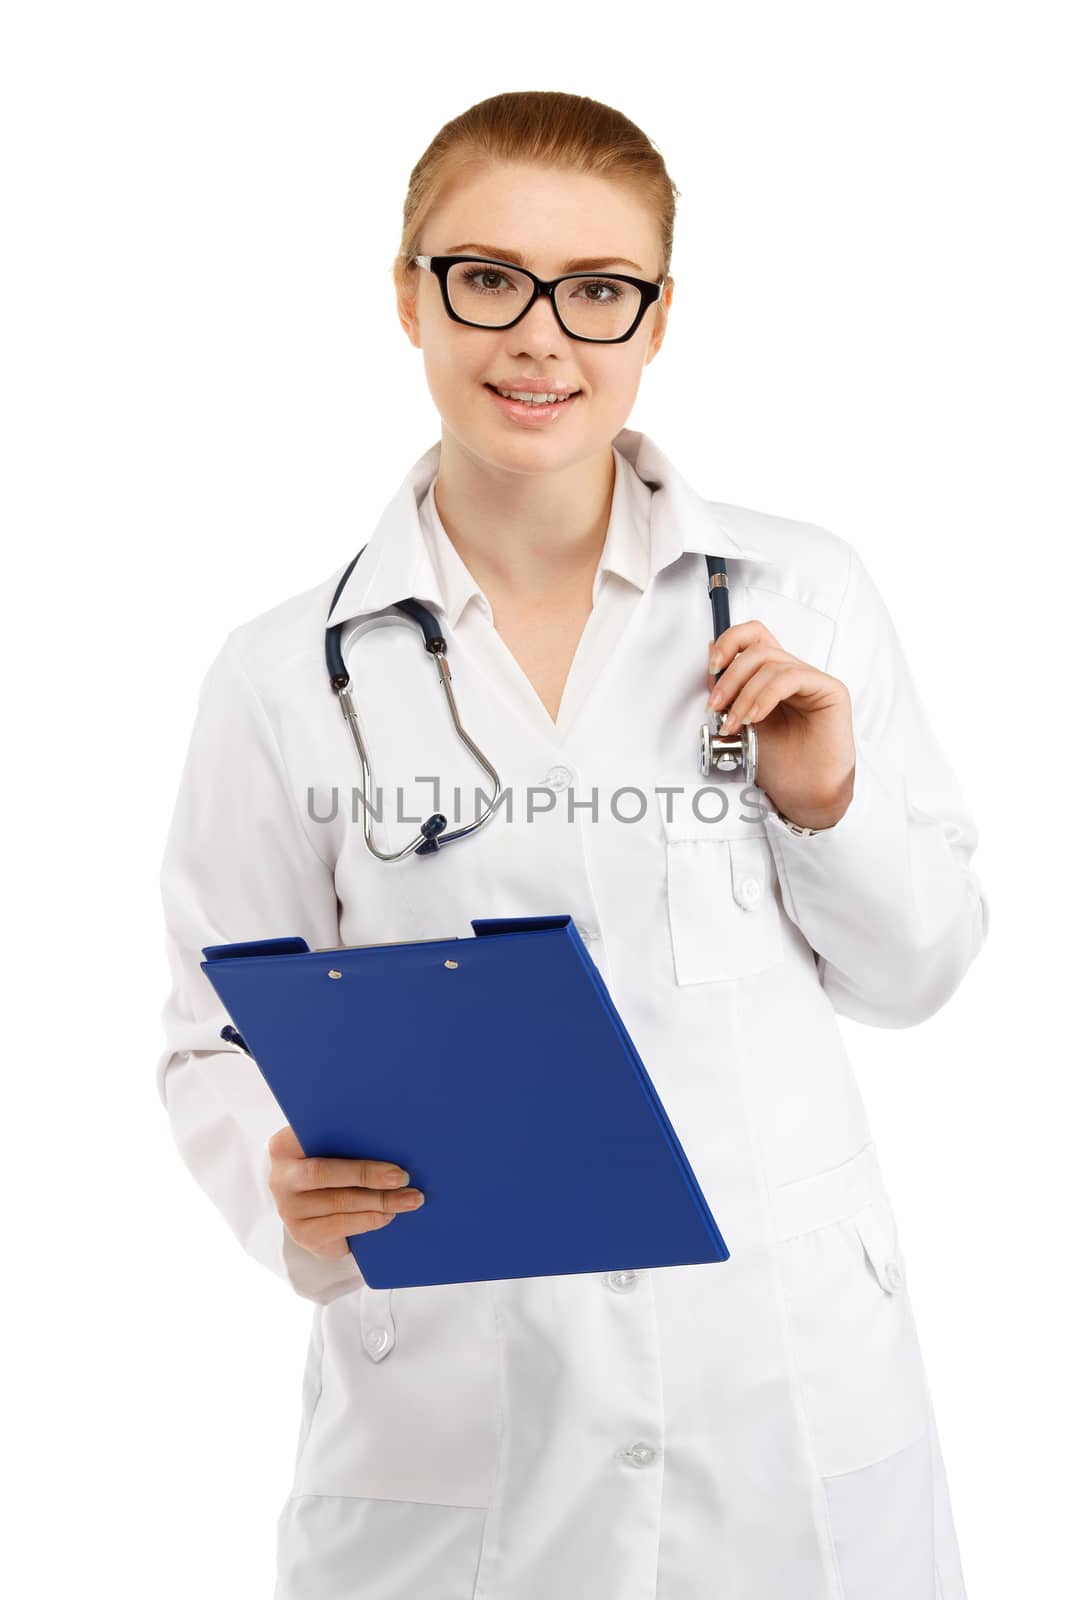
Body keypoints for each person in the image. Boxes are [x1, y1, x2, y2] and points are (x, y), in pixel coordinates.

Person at [156, 89, 988, 1600]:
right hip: (465, 1422)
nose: (542, 338)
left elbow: (921, 969)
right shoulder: (283, 673)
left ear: (657, 322)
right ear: (409, 294)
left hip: (782, 1401)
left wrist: (825, 802)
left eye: (600, 292)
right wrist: (271, 1169)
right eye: (488, 278)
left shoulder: (802, 593)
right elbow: (214, 1032)